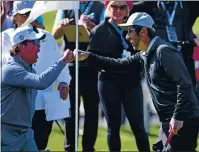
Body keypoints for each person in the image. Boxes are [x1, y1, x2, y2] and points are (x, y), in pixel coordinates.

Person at [75, 12, 199, 151]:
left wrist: (178, 117)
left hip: (183, 119)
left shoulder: (163, 52)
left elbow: (184, 84)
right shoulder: (143, 54)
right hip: (169, 120)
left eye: (130, 31)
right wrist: (88, 56)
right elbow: (119, 64)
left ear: (143, 32)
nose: (127, 37)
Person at [1, 1, 71, 151]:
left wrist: (64, 81)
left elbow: (54, 60)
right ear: (15, 15)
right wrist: (64, 60)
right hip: (10, 123)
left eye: (31, 13)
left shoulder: (45, 37)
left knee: (41, 143)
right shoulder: (6, 41)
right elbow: (40, 81)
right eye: (25, 13)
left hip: (39, 110)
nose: (29, 17)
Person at [85, 1, 150, 151]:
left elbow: (143, 51)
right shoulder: (99, 30)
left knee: (138, 126)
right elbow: (91, 60)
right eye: (114, 6)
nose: (118, 10)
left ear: (128, 9)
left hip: (131, 82)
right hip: (108, 82)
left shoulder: (134, 28)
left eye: (122, 7)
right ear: (108, 8)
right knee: (113, 127)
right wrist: (114, 63)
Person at [52, 1, 105, 151]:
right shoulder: (65, 7)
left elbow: (105, 34)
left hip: (92, 66)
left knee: (92, 110)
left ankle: (89, 148)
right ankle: (70, 147)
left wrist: (90, 26)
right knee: (70, 110)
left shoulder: (100, 7)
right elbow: (54, 35)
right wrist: (61, 26)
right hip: (70, 66)